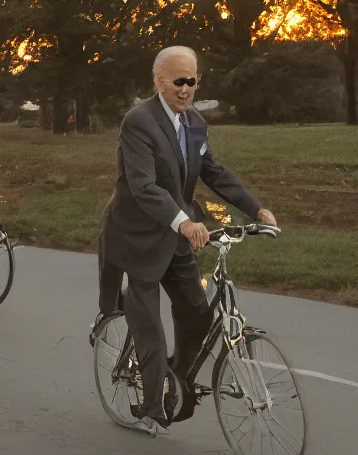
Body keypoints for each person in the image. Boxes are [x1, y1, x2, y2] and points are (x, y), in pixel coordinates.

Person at [96, 46, 277, 434]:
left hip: (177, 236)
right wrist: (182, 221)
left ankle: (172, 384)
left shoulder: (195, 122)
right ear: (159, 81)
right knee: (150, 327)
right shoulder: (139, 122)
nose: (186, 89)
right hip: (138, 235)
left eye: (192, 81)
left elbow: (213, 171)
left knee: (198, 315)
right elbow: (143, 186)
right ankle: (149, 405)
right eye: (178, 81)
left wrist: (256, 209)